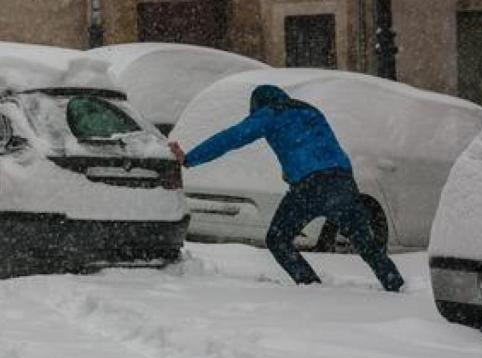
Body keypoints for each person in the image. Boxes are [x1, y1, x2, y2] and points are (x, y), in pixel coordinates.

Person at [169, 85, 405, 292]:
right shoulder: (310, 111)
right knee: (364, 240)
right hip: (342, 180)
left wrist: (189, 158)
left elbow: (231, 138)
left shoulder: (270, 113)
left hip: (309, 186)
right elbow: (317, 145)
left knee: (277, 239)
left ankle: (310, 285)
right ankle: (394, 282)